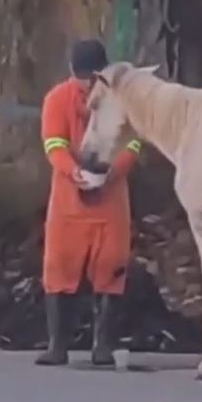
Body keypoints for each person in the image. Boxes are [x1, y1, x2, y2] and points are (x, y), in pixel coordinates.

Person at [37, 39, 141, 367]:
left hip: (110, 201)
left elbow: (134, 142)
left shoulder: (122, 101)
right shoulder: (57, 100)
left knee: (111, 265)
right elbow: (53, 143)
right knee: (58, 265)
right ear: (72, 73)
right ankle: (57, 345)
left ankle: (103, 346)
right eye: (82, 78)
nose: (86, 84)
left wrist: (114, 171)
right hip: (68, 200)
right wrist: (73, 171)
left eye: (92, 77)